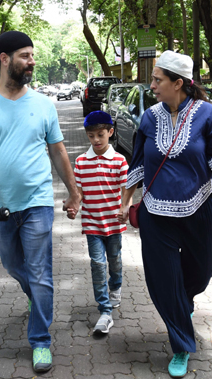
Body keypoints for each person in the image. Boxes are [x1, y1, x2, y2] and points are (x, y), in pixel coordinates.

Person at [0, 31, 81, 372]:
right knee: (13, 265)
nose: (32, 62)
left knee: (40, 271)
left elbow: (58, 150)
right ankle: (37, 297)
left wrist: (74, 191)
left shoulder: (44, 104)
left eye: (33, 55)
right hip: (0, 208)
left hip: (38, 202)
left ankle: (41, 340)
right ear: (5, 59)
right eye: (25, 55)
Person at [117, 51, 212, 378]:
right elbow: (138, 163)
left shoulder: (206, 114)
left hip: (199, 209)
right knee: (164, 282)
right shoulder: (149, 117)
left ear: (178, 83)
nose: (152, 85)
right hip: (156, 213)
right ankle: (181, 344)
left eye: (158, 80)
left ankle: (184, 305)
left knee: (200, 274)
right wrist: (124, 200)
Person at [72, 111, 129, 335]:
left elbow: (126, 190)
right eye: (91, 135)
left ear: (110, 133)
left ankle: (116, 286)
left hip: (113, 224)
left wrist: (125, 207)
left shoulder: (119, 160)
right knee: (98, 264)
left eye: (100, 135)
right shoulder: (81, 161)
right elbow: (78, 193)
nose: (96, 140)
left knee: (114, 260)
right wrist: (73, 207)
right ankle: (104, 310)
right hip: (92, 224)